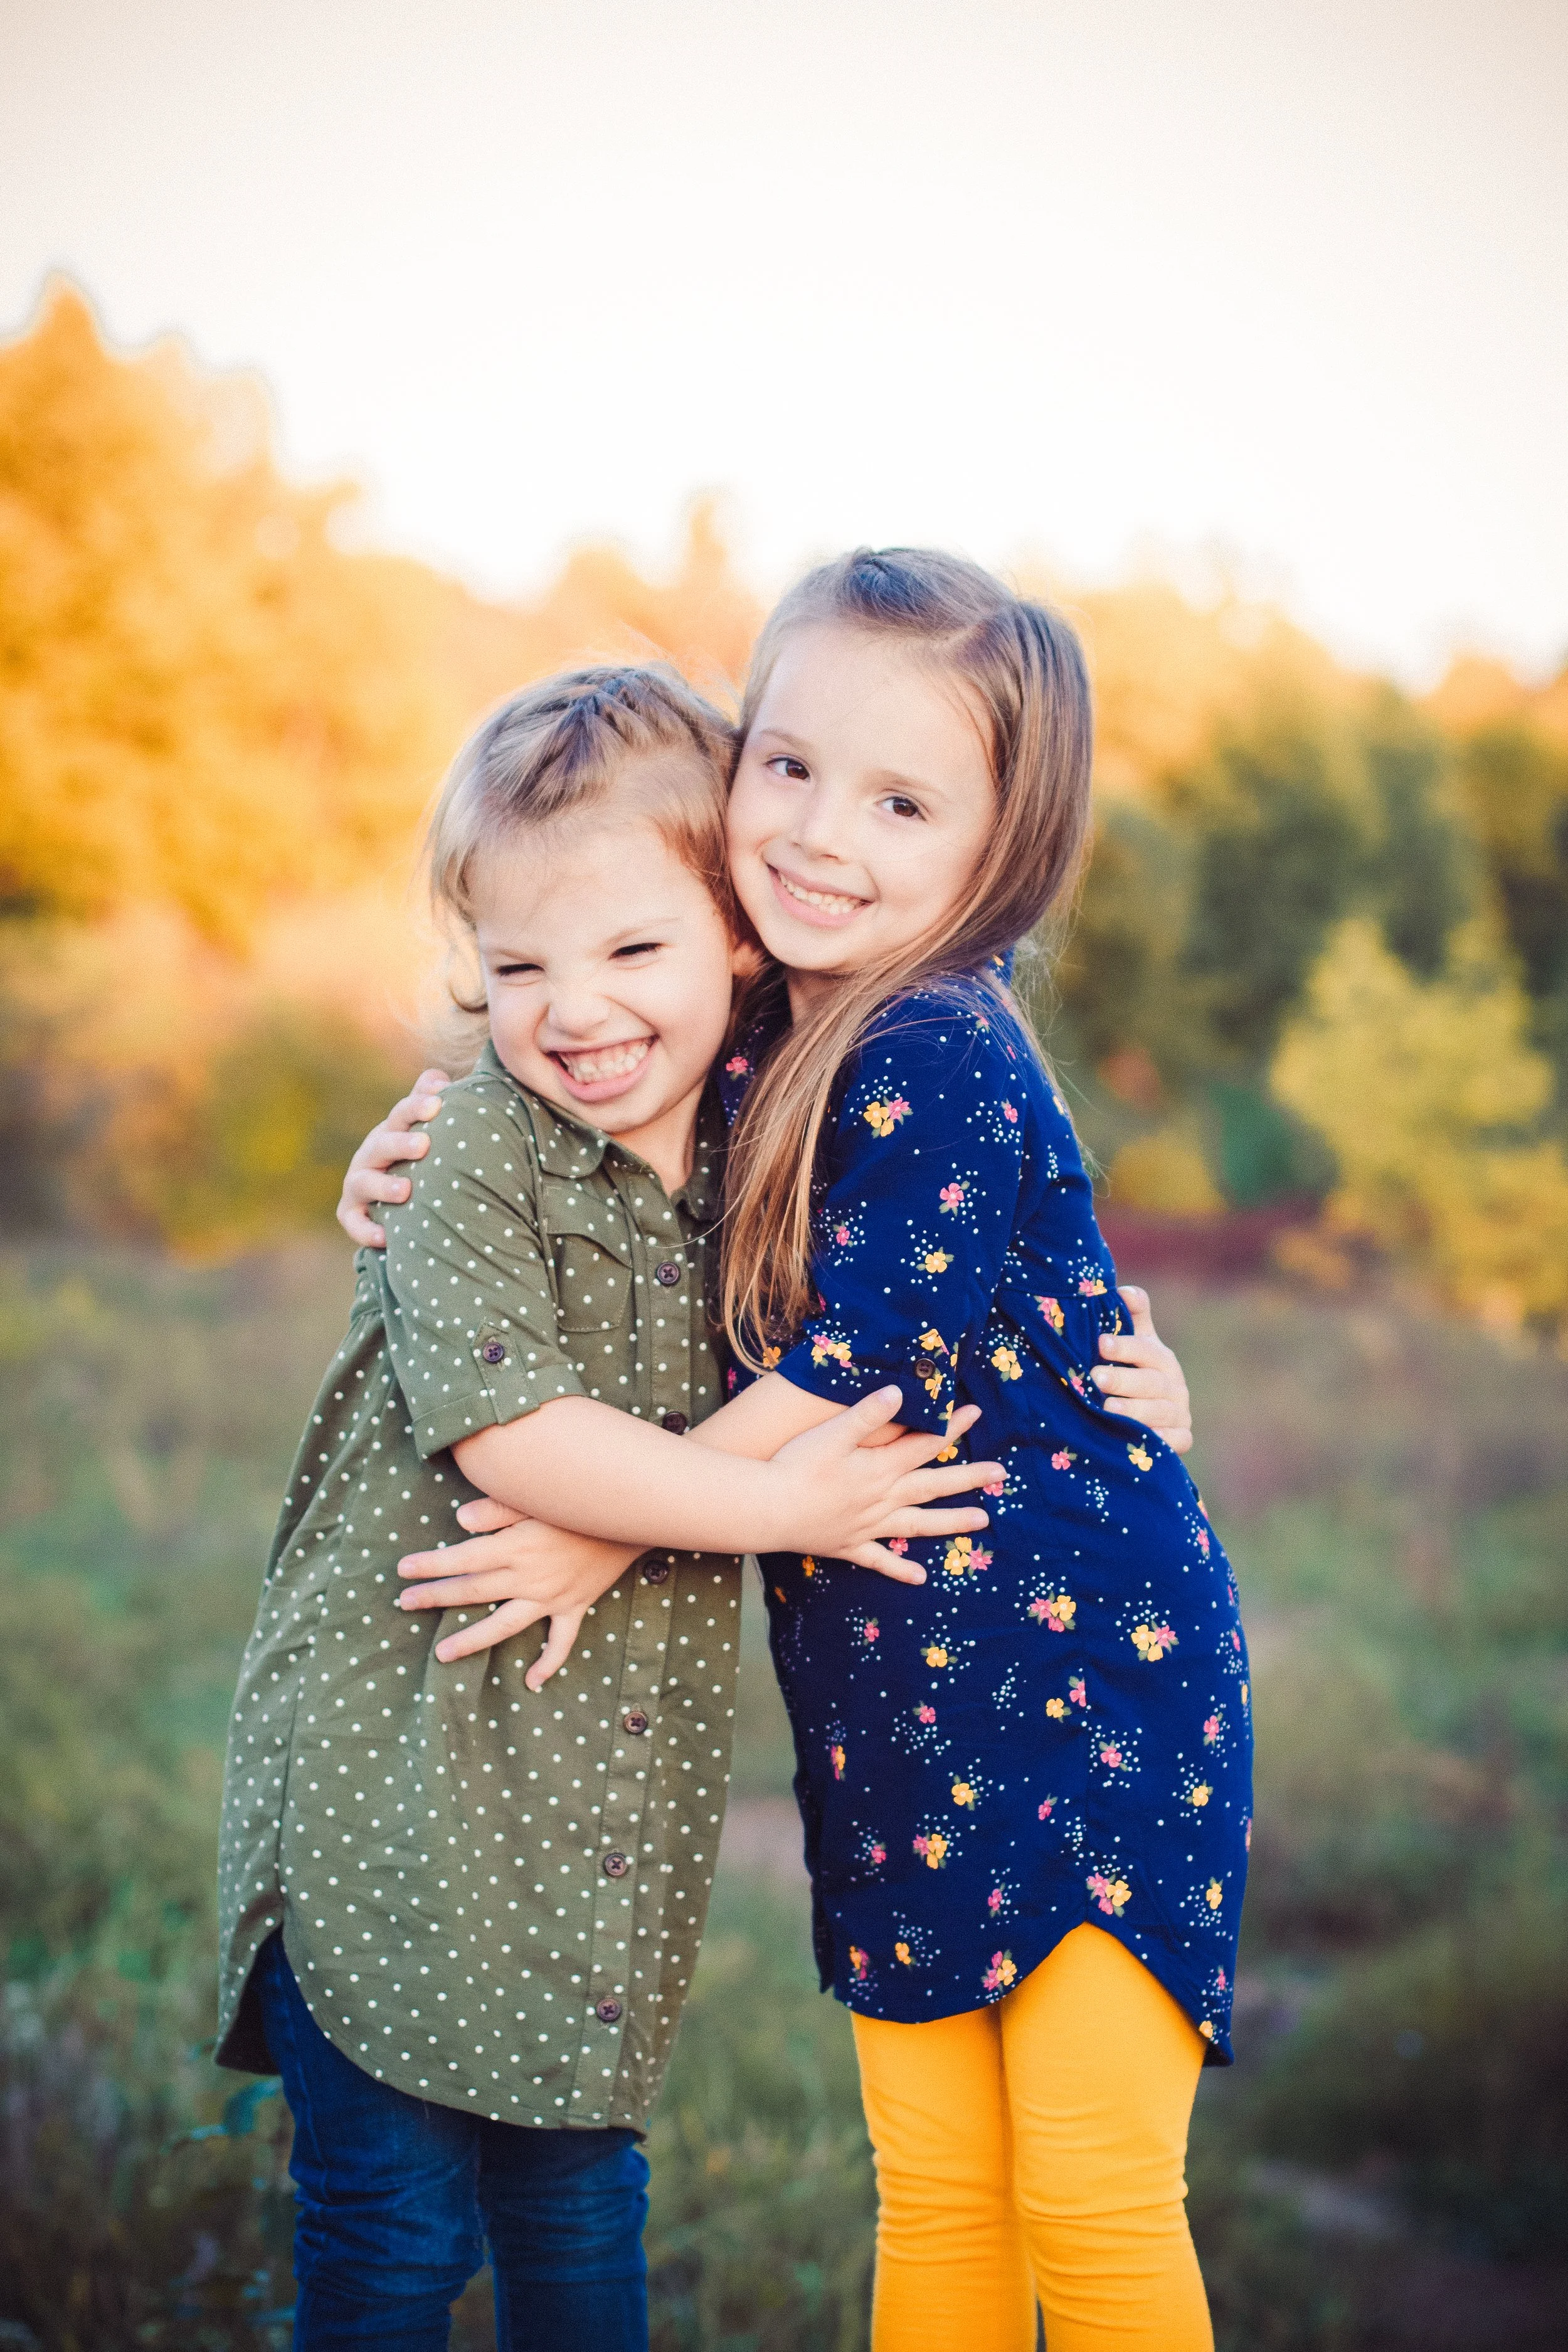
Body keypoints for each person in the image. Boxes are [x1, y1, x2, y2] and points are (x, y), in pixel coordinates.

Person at [339, 551, 1236, 2351]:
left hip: (1082, 1688)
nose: (824, 832)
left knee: (1085, 2185)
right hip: (891, 1703)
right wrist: (377, 1171)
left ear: (999, 845)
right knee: (937, 2189)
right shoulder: (761, 1021)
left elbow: (852, 1362)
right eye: (793, 766)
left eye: (902, 801)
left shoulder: (934, 1043)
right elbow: (567, 1047)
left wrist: (595, 1531)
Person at [216, 662, 1012, 2352]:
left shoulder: (763, 1150)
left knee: (580, 2210)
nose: (572, 1006)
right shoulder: (475, 1148)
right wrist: (786, 1502)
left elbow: (948, 1284)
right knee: (390, 2235)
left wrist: (1130, 1369)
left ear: (737, 937)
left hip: (581, 1824)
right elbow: (515, 1437)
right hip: (399, 1797)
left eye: (629, 950)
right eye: (517, 967)